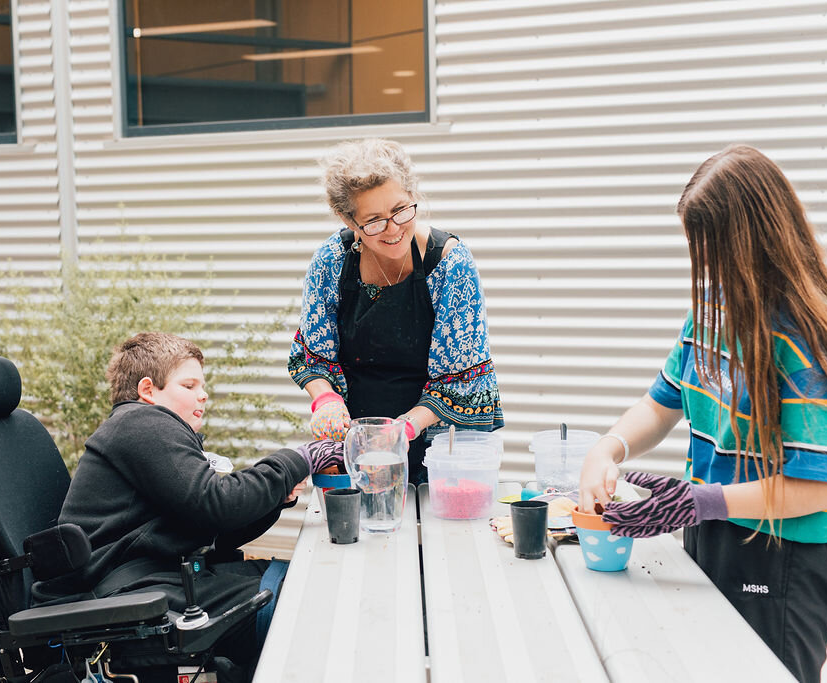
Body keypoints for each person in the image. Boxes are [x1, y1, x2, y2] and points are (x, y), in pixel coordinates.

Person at [578, 145, 827, 683]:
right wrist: (607, 448)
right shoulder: (711, 311)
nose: (702, 264)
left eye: (710, 248)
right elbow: (660, 405)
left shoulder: (808, 339)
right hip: (713, 532)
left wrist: (701, 500)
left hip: (785, 557)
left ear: (752, 242)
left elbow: (826, 485)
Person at [33, 332, 343, 681]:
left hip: (158, 579)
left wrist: (277, 496)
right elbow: (218, 503)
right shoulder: (140, 422)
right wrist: (300, 459)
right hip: (128, 594)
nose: (203, 394)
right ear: (148, 390)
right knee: (302, 602)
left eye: (202, 386)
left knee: (304, 579)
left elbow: (213, 527)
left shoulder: (144, 429)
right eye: (189, 385)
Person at [288, 138, 503, 483]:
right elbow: (314, 357)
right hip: (357, 442)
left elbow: (461, 379)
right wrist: (326, 399)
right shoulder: (331, 261)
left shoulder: (449, 264)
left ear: (412, 195)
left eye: (401, 210)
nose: (393, 229)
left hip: (439, 444)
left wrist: (403, 430)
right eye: (374, 221)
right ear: (348, 219)